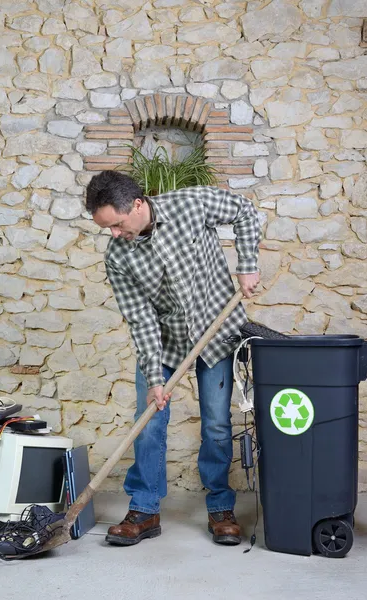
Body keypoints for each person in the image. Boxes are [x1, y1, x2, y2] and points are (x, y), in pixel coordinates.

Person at [86, 170, 262, 547]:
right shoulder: (118, 256)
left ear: (136, 205)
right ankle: (145, 510)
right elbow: (140, 317)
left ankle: (220, 508)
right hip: (164, 344)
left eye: (116, 224)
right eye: (108, 229)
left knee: (216, 424)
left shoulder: (190, 204)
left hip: (215, 332)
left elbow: (245, 211)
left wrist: (247, 264)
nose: (115, 234)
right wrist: (154, 378)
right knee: (149, 422)